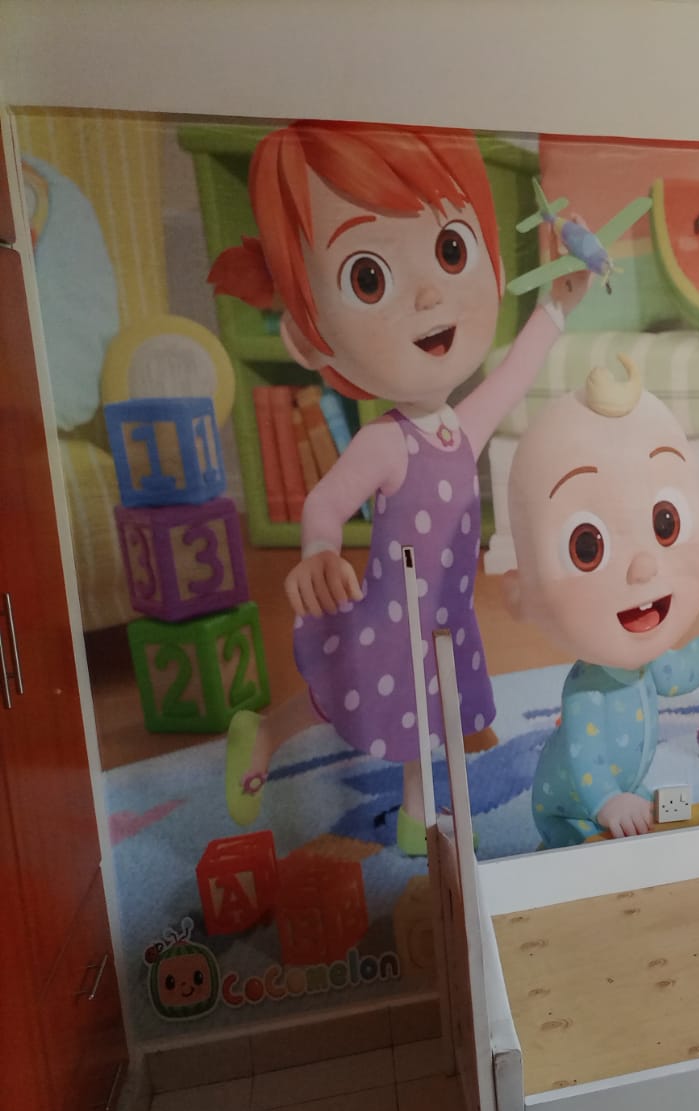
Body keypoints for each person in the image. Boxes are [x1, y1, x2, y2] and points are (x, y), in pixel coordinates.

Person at [209, 120, 587, 855]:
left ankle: (411, 807)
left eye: (450, 251)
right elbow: (325, 503)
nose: (428, 294)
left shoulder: (459, 428)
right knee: (353, 700)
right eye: (370, 278)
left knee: (408, 706)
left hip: (445, 613)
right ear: (310, 338)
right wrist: (319, 552)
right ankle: (282, 743)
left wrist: (557, 304)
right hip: (392, 616)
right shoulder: (386, 442)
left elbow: (514, 374)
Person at [505, 356, 699, 847]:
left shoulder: (645, 666)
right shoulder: (585, 692)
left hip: (629, 789)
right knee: (588, 860)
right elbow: (586, 759)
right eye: (587, 547)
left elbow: (676, 673)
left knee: (665, 820)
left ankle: (634, 813)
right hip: (572, 811)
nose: (642, 568)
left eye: (665, 524)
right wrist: (606, 803)